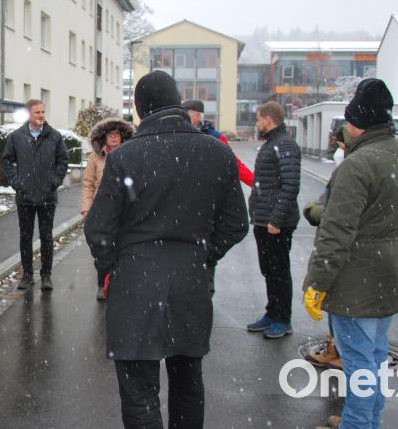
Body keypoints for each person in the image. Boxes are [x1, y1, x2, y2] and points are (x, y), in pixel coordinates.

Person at [85, 71, 248, 429]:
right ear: (177, 102)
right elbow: (236, 223)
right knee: (188, 382)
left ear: (140, 111)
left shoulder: (126, 157)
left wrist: (116, 264)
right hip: (191, 282)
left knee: (140, 392)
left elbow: (98, 229)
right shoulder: (217, 153)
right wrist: (203, 254)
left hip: (135, 285)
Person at [304, 79, 398, 429]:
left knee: (358, 362)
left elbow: (336, 233)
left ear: (356, 125)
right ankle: (368, 420)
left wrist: (317, 282)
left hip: (357, 281)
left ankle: (357, 424)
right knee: (376, 356)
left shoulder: (357, 165)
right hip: (392, 275)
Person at [246, 101, 302, 339]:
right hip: (263, 221)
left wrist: (276, 220)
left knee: (279, 271)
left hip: (276, 224)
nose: (257, 123)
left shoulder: (285, 145)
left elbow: (290, 186)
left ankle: (283, 318)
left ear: (268, 120)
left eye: (259, 119)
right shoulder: (272, 144)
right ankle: (272, 312)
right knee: (269, 270)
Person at [3, 99, 69, 291]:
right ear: (29, 114)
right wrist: (17, 183)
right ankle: (27, 275)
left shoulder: (54, 136)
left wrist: (54, 182)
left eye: (43, 112)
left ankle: (46, 275)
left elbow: (63, 161)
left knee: (46, 236)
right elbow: (7, 161)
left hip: (47, 196)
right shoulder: (16, 137)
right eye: (37, 112)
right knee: (25, 237)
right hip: (25, 197)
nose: (41, 115)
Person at [79, 117, 134, 300]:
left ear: (122, 136)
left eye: (116, 134)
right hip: (101, 209)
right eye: (110, 134)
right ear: (104, 137)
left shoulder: (130, 155)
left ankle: (120, 283)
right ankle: (102, 282)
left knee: (124, 248)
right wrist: (86, 209)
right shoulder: (96, 157)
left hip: (124, 209)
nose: (113, 137)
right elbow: (88, 184)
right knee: (103, 249)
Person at [182, 100, 254, 187]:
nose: (183, 119)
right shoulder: (179, 136)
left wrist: (256, 185)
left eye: (186, 115)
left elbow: (234, 164)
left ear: (198, 116)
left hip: (208, 190)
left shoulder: (216, 138)